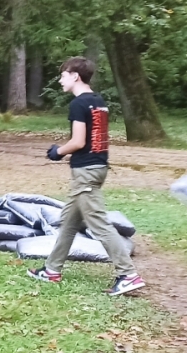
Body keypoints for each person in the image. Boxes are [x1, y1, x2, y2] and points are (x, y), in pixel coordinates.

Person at [27, 57, 145, 295]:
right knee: (69, 223)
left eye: (63, 75)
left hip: (86, 172)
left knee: (99, 224)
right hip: (97, 167)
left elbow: (79, 141)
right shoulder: (98, 102)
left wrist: (57, 152)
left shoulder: (79, 104)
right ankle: (52, 270)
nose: (60, 79)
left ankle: (128, 274)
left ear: (75, 76)